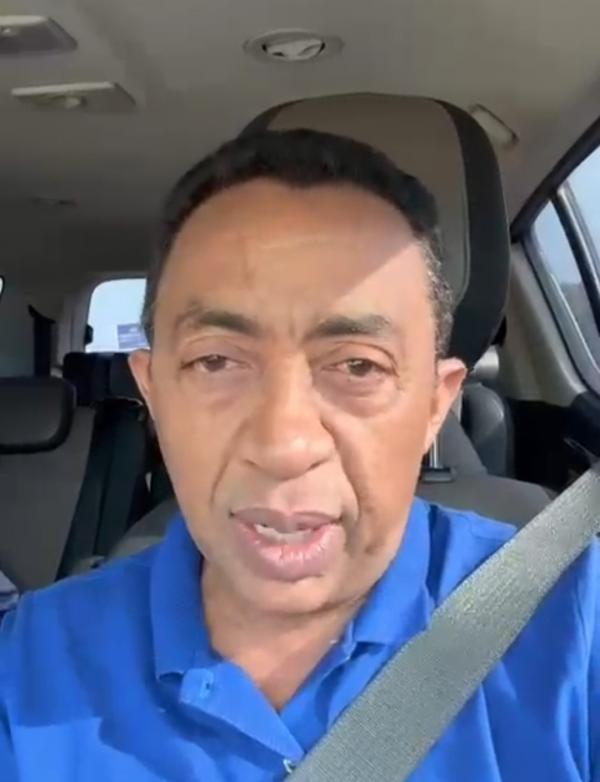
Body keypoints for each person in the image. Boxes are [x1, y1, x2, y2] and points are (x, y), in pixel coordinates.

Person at [1, 129, 598, 782]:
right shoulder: (26, 665)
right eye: (216, 361)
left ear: (437, 403)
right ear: (154, 394)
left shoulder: (573, 625)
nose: (284, 446)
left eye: (358, 366)